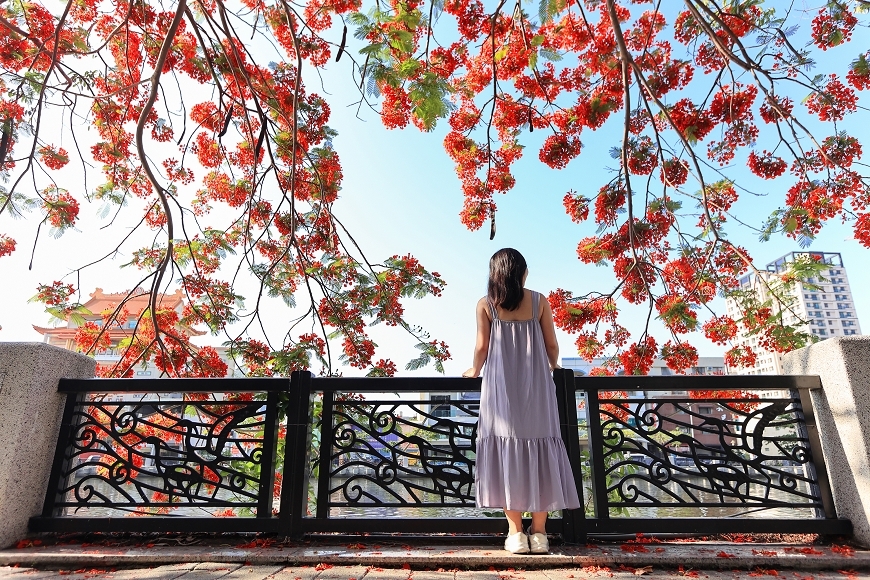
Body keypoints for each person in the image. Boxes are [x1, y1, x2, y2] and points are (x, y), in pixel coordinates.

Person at [463, 248, 581, 555]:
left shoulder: (486, 305)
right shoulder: (540, 301)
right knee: (543, 448)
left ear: (495, 274)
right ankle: (539, 533)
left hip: (500, 390)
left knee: (505, 453)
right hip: (537, 387)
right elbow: (552, 345)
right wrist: (552, 366)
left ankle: (515, 533)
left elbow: (481, 348)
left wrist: (474, 370)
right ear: (522, 273)